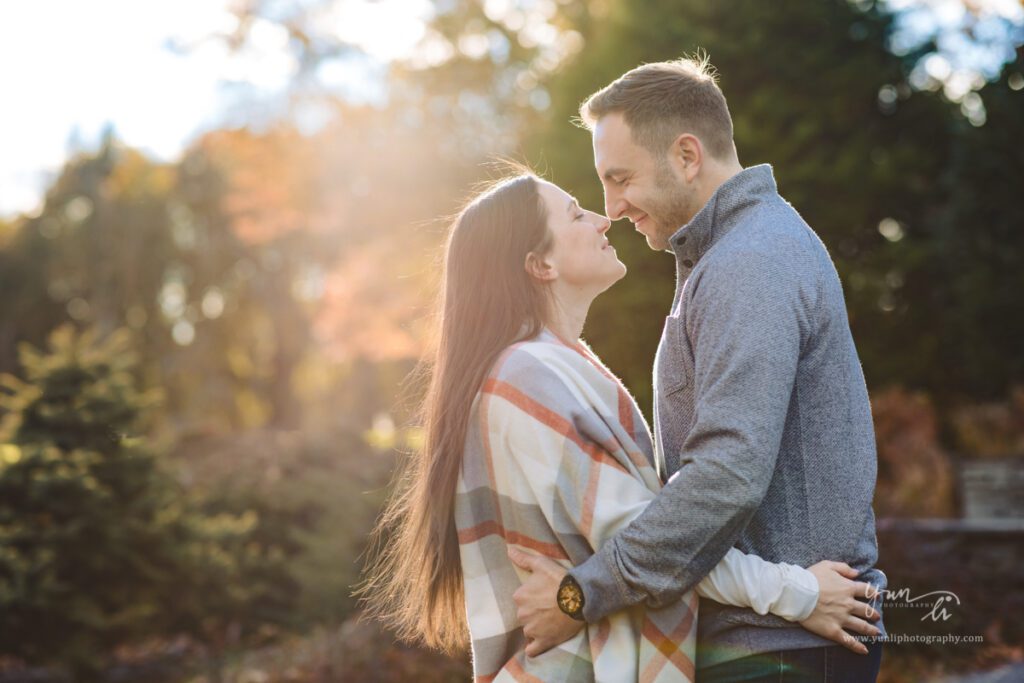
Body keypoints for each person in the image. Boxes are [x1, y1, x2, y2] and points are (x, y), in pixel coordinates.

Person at [358, 167, 881, 682]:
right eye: (575, 214)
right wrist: (798, 593)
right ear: (539, 263)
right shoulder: (527, 378)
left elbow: (652, 537)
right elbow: (656, 539)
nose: (603, 219)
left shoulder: (557, 367)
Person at [508, 57, 887, 682]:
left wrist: (582, 594)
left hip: (777, 651)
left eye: (621, 177)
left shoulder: (750, 263)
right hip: (772, 639)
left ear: (687, 156)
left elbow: (725, 474)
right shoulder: (730, 257)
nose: (613, 206)